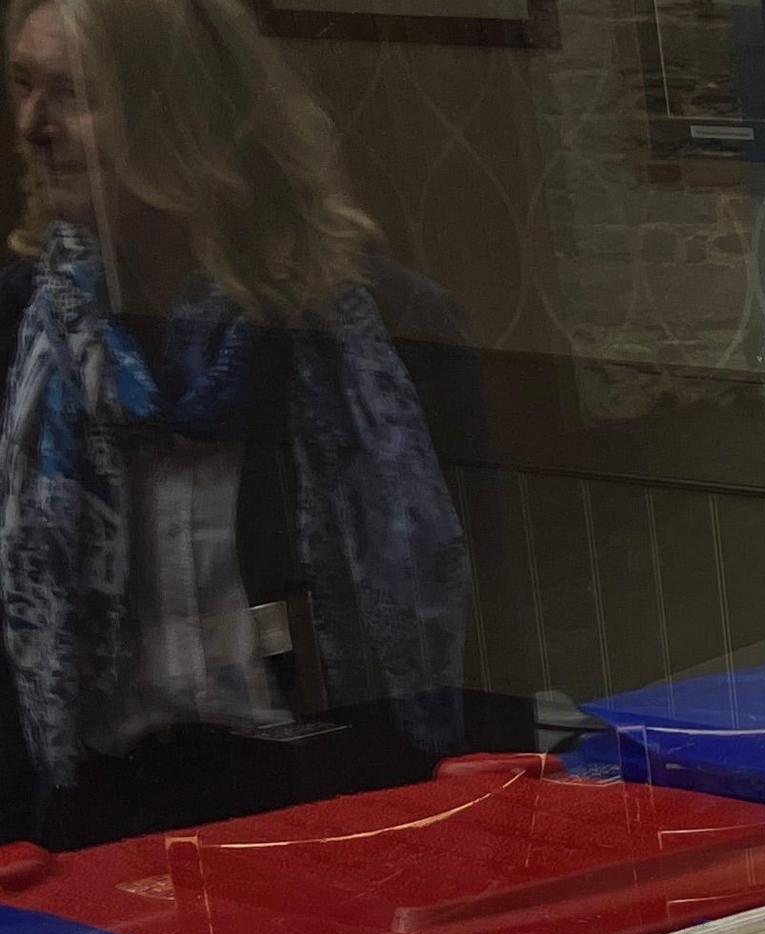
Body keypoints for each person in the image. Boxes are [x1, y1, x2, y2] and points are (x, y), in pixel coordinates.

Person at [0, 0, 469, 852]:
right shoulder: (16, 338)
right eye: (24, 86)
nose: (33, 125)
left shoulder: (362, 333)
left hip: (339, 801)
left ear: (181, 114)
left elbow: (482, 613)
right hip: (97, 822)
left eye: (73, 94)